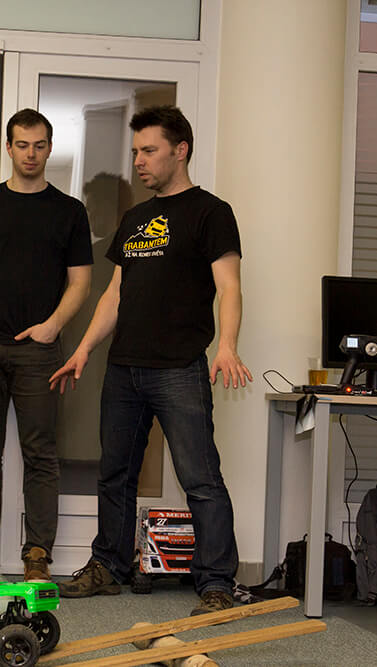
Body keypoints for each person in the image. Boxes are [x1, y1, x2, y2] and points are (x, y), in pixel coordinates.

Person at [49, 105, 253, 616]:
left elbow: (229, 287)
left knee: (200, 478)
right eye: (136, 151)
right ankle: (108, 565)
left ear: (180, 150)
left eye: (149, 150)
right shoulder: (135, 218)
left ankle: (216, 581)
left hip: (179, 368)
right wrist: (84, 348)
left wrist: (227, 344)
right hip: (124, 369)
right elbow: (115, 294)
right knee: (114, 473)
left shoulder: (211, 212)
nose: (138, 160)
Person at [0, 109, 93, 581]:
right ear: (9, 148)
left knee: (40, 455)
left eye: (39, 145)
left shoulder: (69, 211)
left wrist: (53, 325)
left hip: (40, 351)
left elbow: (81, 282)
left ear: (49, 148)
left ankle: (38, 553)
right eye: (22, 145)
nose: (30, 154)